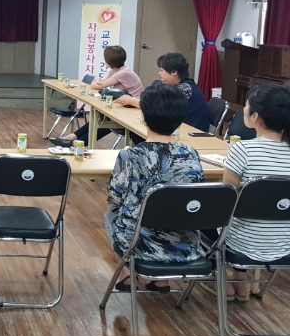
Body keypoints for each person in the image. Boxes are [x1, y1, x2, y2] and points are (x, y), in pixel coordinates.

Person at [105, 83, 205, 292]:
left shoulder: (130, 155)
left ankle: (131, 272)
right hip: (185, 243)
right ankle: (160, 281)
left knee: (112, 212)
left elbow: (115, 195)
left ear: (143, 115)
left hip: (140, 244)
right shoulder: (191, 154)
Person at [219, 84, 290, 300]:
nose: (243, 109)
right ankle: (239, 280)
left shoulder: (243, 150)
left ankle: (224, 280)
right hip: (284, 244)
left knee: (211, 217)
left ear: (255, 116)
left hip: (243, 243)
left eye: (247, 105)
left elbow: (227, 200)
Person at [51, 46, 143, 147]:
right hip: (123, 106)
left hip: (133, 110)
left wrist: (98, 82)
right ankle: (73, 139)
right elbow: (99, 83)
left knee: (105, 122)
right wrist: (98, 82)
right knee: (102, 120)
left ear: (109, 60)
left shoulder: (124, 73)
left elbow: (100, 85)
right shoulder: (113, 70)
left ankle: (74, 142)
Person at [116, 52, 211, 132]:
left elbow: (154, 107)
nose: (159, 74)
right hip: (179, 128)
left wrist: (130, 101)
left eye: (162, 70)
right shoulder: (181, 85)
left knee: (139, 132)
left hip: (190, 132)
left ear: (174, 72)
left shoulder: (185, 88)